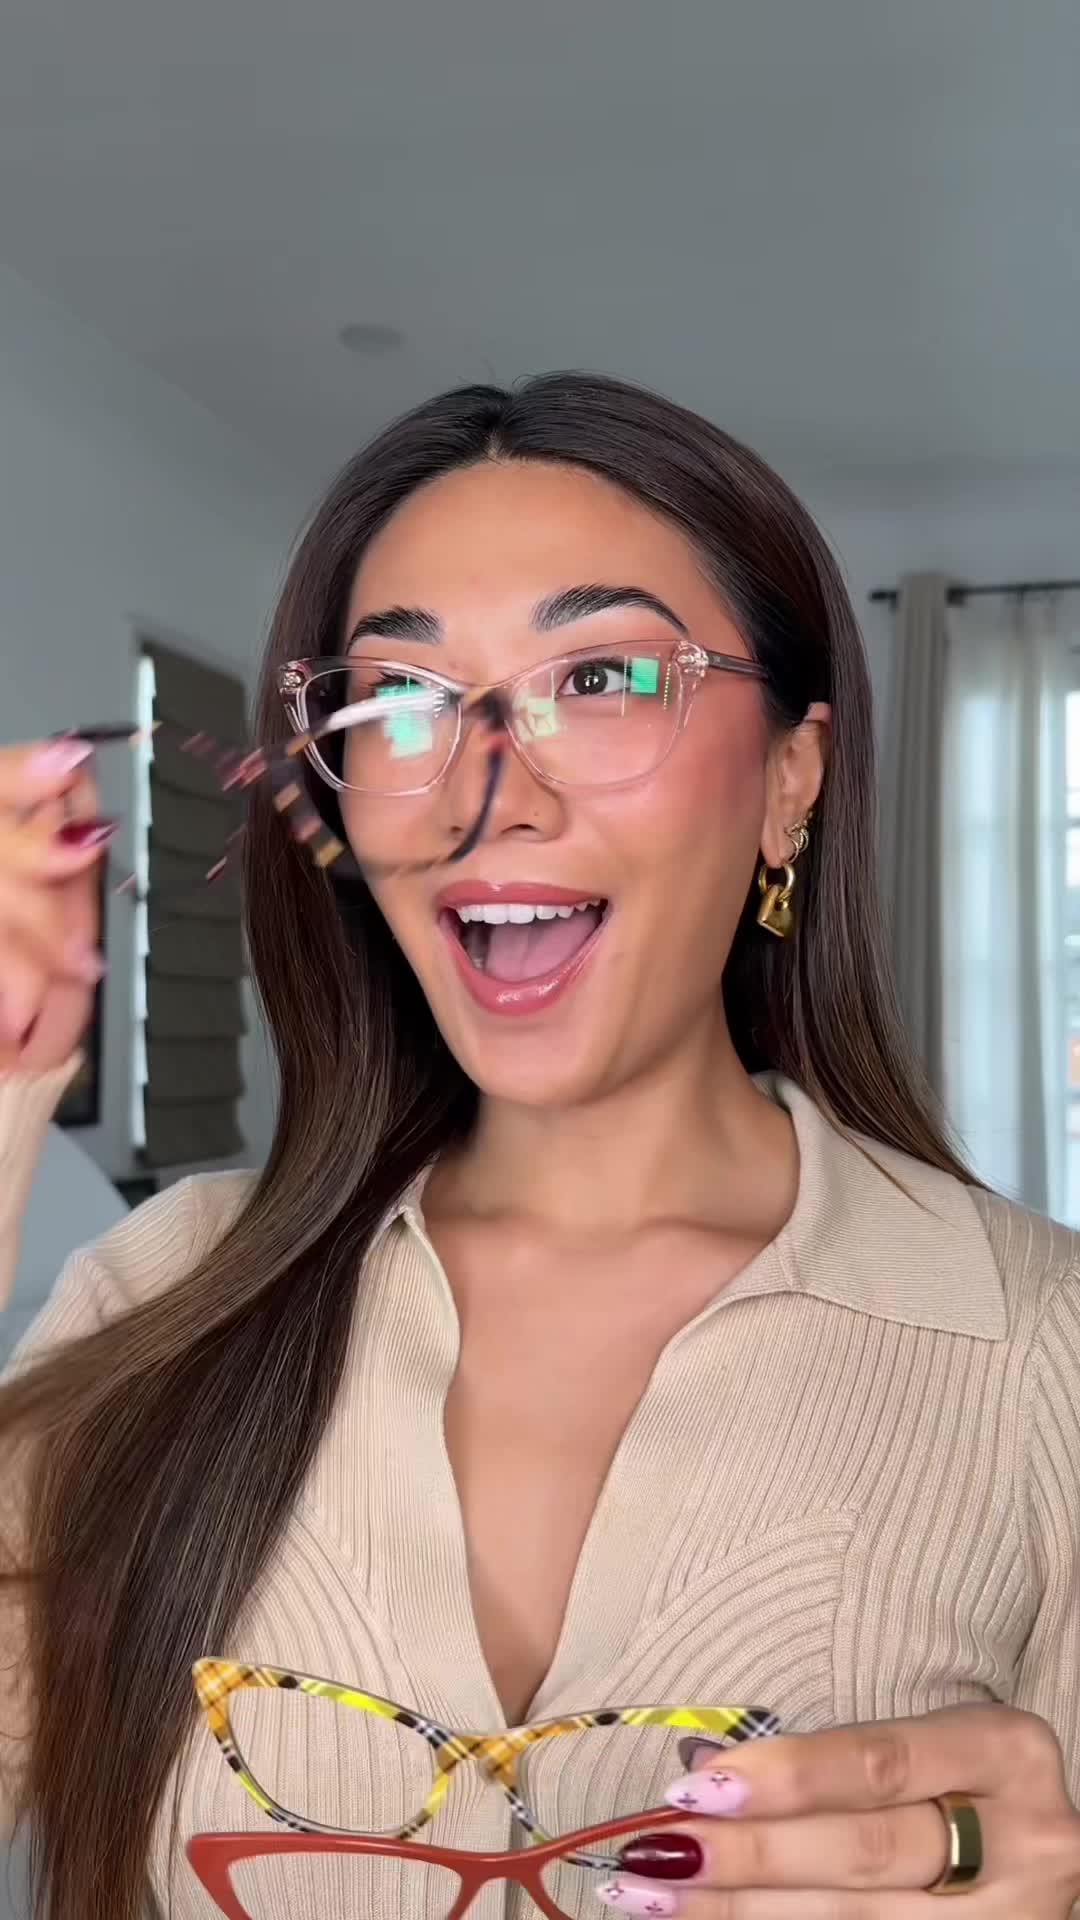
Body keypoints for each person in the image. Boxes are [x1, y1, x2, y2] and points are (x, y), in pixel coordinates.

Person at [0, 372, 1077, 1920]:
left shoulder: (1044, 1351)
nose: (483, 798)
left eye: (603, 677)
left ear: (790, 781)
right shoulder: (160, 1295)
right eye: (401, 702)